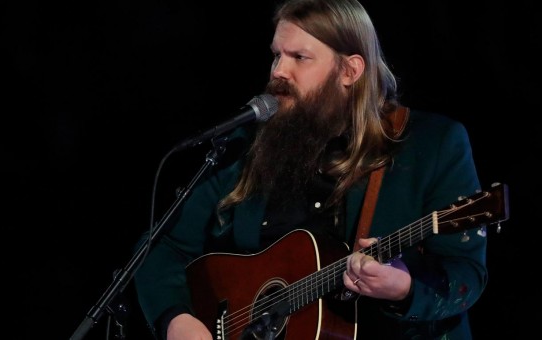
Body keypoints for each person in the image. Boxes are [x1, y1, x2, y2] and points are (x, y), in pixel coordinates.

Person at [134, 0, 488, 339]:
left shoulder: (434, 145)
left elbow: (466, 275)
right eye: (276, 55)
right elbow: (161, 249)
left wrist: (405, 288)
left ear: (350, 70)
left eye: (299, 58)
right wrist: (175, 319)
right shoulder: (248, 145)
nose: (278, 72)